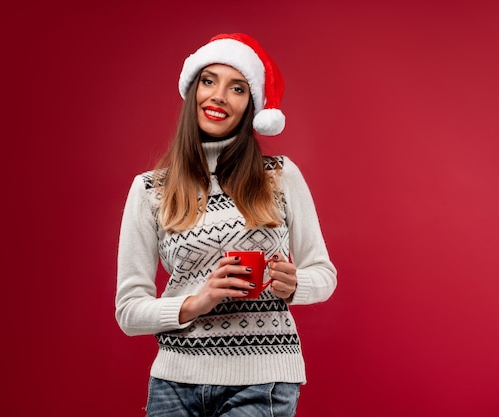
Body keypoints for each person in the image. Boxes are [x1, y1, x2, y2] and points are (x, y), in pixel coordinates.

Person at [115, 33, 337, 416]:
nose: (218, 96)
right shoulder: (150, 189)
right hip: (174, 384)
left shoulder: (280, 176)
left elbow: (324, 274)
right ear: (193, 91)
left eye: (236, 88)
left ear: (251, 104)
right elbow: (129, 311)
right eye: (209, 81)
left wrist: (295, 284)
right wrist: (197, 302)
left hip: (263, 380)